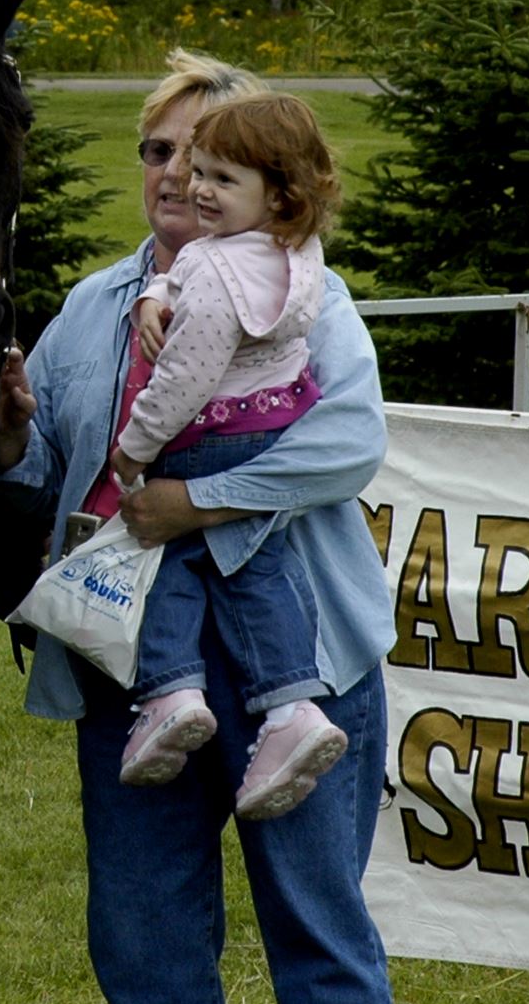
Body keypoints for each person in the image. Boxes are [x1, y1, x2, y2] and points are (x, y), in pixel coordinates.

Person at [0, 52, 419, 1004]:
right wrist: (6, 434)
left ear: (259, 178)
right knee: (145, 927)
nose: (176, 174)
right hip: (133, 672)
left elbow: (347, 444)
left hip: (297, 668)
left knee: (314, 920)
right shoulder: (92, 309)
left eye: (203, 155)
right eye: (157, 150)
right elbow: (44, 471)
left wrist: (195, 501)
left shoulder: (303, 291)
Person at [106, 93, 348, 820]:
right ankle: (292, 707)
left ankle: (171, 693)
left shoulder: (212, 268)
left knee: (165, 556)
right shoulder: (295, 252)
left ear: (278, 194)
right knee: (257, 570)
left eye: (222, 179)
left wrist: (134, 449)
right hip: (273, 423)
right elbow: (191, 277)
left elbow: (184, 379)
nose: (199, 189)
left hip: (208, 437)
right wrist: (155, 293)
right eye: (198, 170)